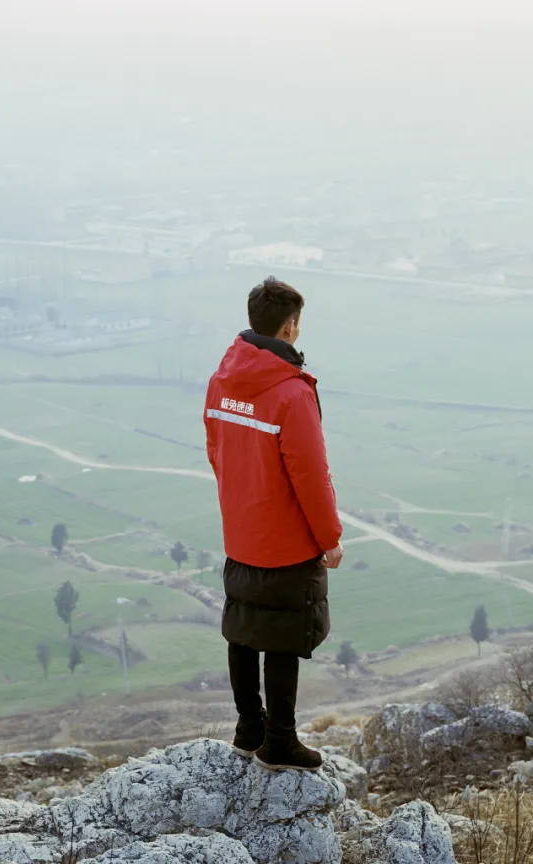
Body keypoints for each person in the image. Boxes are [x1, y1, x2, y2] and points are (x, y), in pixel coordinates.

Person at [203, 276, 344, 772]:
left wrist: (242, 502)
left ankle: (248, 729)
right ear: (290, 326)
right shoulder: (291, 393)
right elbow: (311, 475)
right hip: (286, 539)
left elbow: (216, 451)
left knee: (242, 628)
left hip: (240, 530)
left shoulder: (222, 380)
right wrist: (329, 539)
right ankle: (280, 740)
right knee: (282, 636)